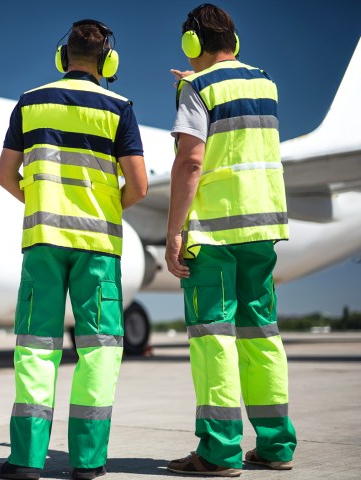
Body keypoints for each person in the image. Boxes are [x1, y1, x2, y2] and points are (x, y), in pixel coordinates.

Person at [0, 19, 147, 480]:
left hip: (43, 243)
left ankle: (25, 460)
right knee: (98, 350)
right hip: (97, 246)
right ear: (106, 62)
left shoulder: (30, 103)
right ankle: (88, 462)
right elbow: (137, 184)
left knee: (36, 349)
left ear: (63, 57)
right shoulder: (120, 108)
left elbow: (4, 175)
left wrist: (41, 203)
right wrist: (104, 208)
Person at [165, 4, 297, 477]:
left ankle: (218, 453)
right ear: (234, 43)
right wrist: (193, 83)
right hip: (261, 231)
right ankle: (276, 446)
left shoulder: (199, 89)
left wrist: (174, 231)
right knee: (261, 336)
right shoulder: (265, 82)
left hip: (215, 234)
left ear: (192, 45)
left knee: (213, 341)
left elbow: (192, 163)